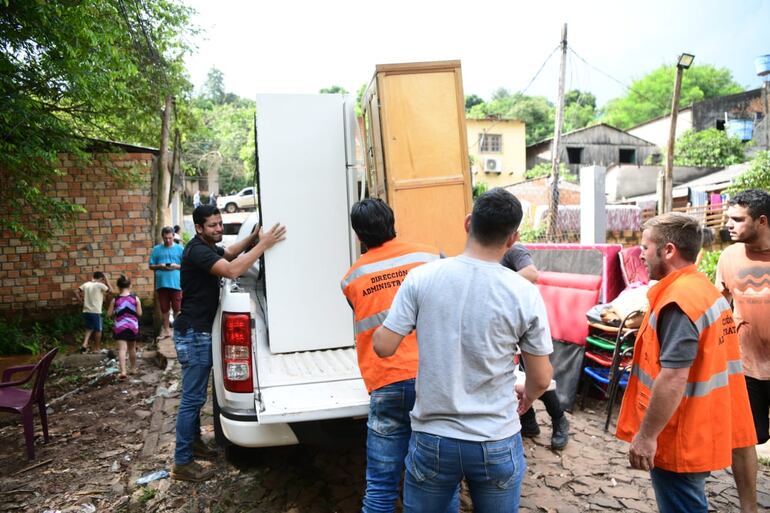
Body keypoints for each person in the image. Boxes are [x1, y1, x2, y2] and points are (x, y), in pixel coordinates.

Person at [373, 188, 554, 512]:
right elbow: (540, 379)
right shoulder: (523, 292)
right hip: (496, 438)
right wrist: (527, 396)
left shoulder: (421, 279)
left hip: (433, 438)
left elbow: (384, 347)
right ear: (512, 239)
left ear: (468, 223)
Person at [616, 212, 757, 513]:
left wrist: (646, 437)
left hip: (678, 431)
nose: (639, 254)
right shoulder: (704, 290)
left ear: (668, 250)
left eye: (644, 247)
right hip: (701, 422)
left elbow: (673, 377)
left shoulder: (678, 302)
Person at [340, 199, 457, 513]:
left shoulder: (352, 278)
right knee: (443, 484)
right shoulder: (431, 256)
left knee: (380, 487)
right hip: (435, 380)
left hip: (387, 382)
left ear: (358, 235)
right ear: (392, 222)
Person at [171, 204, 286, 482]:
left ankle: (195, 445)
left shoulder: (207, 245)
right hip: (194, 334)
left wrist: (253, 238)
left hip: (197, 332)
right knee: (192, 399)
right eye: (213, 225)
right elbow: (233, 269)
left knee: (196, 397)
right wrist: (265, 245)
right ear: (199, 228)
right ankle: (182, 462)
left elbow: (232, 253)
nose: (219, 229)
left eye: (220, 223)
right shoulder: (197, 251)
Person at [716, 188, 770, 513]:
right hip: (745, 365)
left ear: (762, 221)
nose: (730, 225)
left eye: (738, 219)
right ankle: (748, 508)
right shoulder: (729, 256)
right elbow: (720, 305)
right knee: (744, 439)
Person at [501, 243, 569, 450]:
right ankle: (529, 423)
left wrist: (495, 283)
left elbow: (532, 273)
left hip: (524, 320)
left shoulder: (514, 249)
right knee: (517, 375)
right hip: (504, 322)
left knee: (537, 375)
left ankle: (559, 420)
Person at [149, 226, 184, 339]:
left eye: (169, 238)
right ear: (162, 237)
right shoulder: (156, 249)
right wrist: (160, 266)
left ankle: (178, 330)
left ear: (174, 236)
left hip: (176, 284)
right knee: (164, 309)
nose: (167, 240)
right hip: (162, 284)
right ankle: (167, 330)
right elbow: (151, 266)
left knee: (177, 308)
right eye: (165, 238)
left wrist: (176, 266)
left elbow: (187, 266)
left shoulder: (180, 249)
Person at [107, 275, 142, 380]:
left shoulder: (115, 300)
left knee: (122, 349)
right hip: (132, 327)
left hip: (120, 327)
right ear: (130, 285)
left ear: (118, 287)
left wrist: (116, 311)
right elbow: (139, 313)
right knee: (132, 348)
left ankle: (123, 371)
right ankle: (133, 368)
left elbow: (109, 314)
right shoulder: (135, 298)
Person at [74, 271, 112, 353]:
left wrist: (80, 301)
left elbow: (76, 291)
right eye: (103, 280)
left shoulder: (86, 284)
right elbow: (111, 291)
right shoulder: (100, 285)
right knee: (98, 330)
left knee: (89, 328)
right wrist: (107, 280)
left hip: (86, 310)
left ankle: (84, 344)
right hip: (95, 311)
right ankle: (97, 349)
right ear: (101, 278)